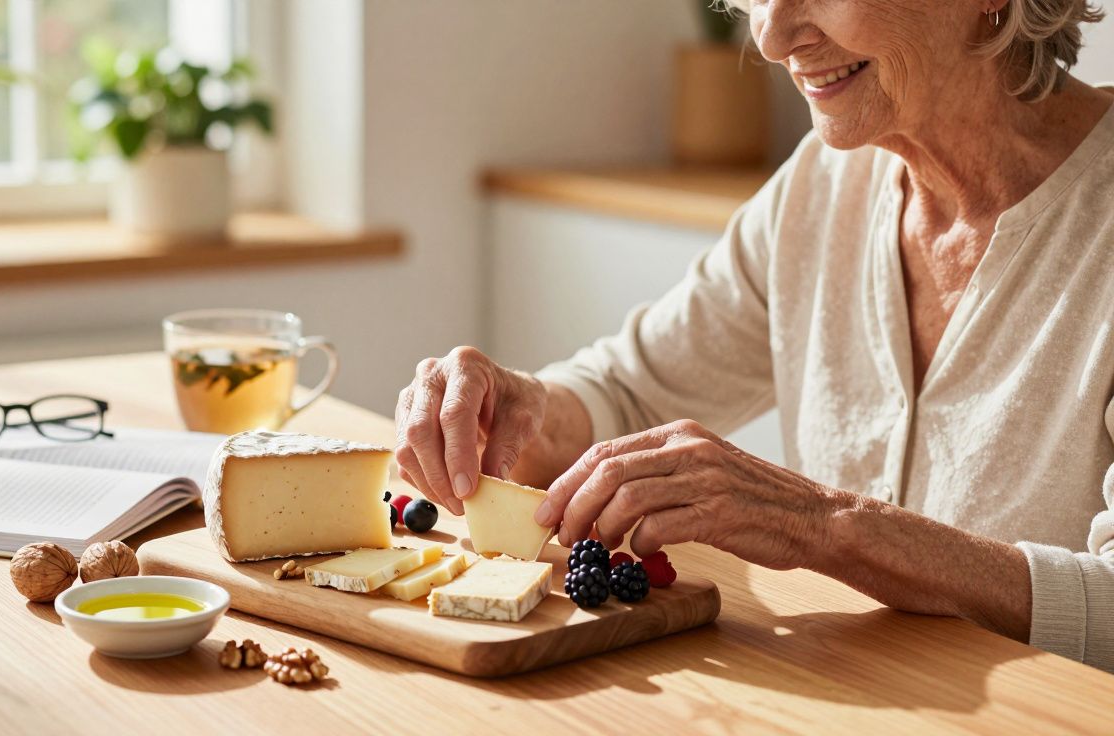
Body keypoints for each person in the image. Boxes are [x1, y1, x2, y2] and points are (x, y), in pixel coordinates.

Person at [394, 0, 1114, 671]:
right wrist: (514, 408)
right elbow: (627, 394)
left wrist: (822, 525)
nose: (771, 38)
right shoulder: (824, 183)